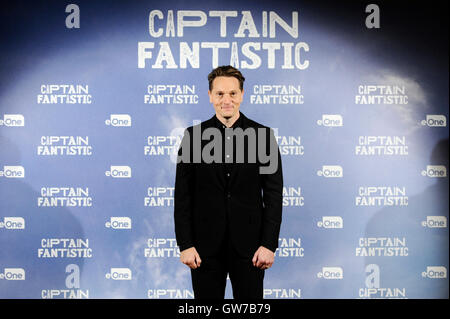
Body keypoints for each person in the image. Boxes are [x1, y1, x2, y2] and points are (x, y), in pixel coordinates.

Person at [174, 65, 283, 299]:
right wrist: (185, 244)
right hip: (203, 249)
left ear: (242, 95)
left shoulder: (264, 137)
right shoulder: (192, 137)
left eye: (233, 93)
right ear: (210, 96)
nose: (227, 100)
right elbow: (183, 196)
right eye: (220, 94)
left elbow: (274, 196)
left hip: (251, 249)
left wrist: (269, 245)